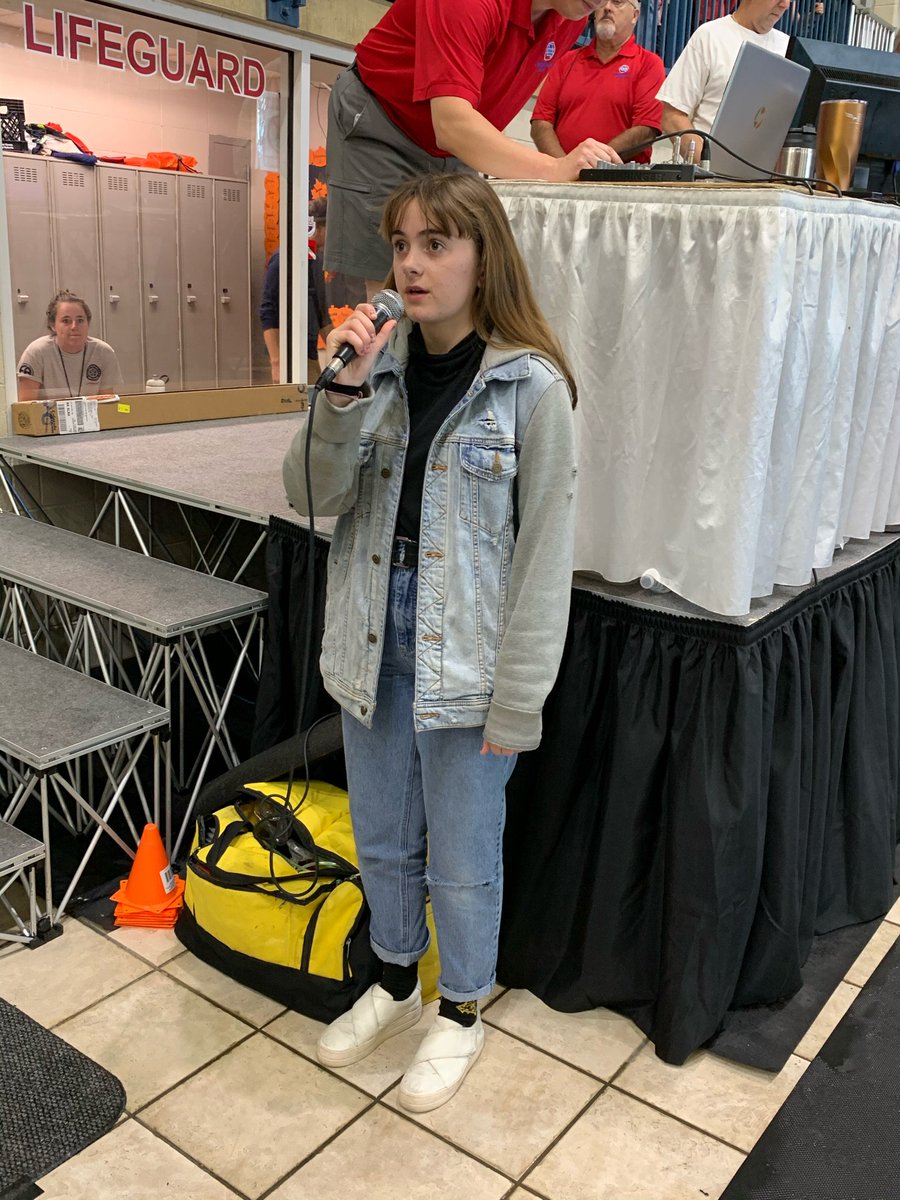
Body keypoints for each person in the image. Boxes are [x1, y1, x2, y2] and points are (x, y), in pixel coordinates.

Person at [283, 172, 578, 1112]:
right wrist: (341, 393)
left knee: (462, 846)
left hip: (470, 650)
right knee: (382, 834)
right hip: (373, 632)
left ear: (483, 257)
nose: (411, 263)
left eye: (437, 244)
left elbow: (545, 559)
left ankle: (460, 1009)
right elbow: (311, 495)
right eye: (403, 243)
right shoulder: (377, 364)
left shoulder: (532, 389)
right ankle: (396, 978)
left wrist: (520, 697)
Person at [326, 0, 624, 297]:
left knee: (464, 273)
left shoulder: (569, 15)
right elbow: (452, 125)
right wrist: (554, 167)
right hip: (384, 120)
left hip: (452, 141)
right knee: (391, 280)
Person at [531, 1, 666, 164]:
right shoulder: (566, 62)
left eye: (618, 2)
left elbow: (645, 130)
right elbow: (541, 122)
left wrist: (592, 164)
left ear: (635, 16)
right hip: (562, 179)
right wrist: (564, 166)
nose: (607, 7)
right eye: (602, 1)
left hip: (616, 182)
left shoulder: (649, 64)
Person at [656, 0, 791, 155]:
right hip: (712, 175)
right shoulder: (710, 35)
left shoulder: (788, 46)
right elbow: (672, 116)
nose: (785, 5)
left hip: (768, 175)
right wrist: (706, 164)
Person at [16, 291, 124, 402]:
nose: (74, 326)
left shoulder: (103, 352)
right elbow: (26, 408)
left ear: (88, 323)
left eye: (80, 320)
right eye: (66, 321)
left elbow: (106, 404)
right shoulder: (36, 353)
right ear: (53, 325)